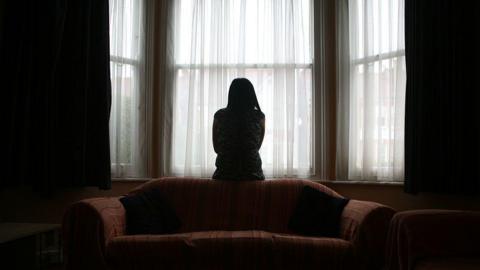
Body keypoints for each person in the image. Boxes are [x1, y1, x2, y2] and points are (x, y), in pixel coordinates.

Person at [212, 78, 265, 180]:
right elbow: (256, 147)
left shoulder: (219, 116)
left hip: (224, 174)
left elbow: (216, 148)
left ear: (231, 95)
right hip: (253, 174)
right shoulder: (259, 117)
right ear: (251, 95)